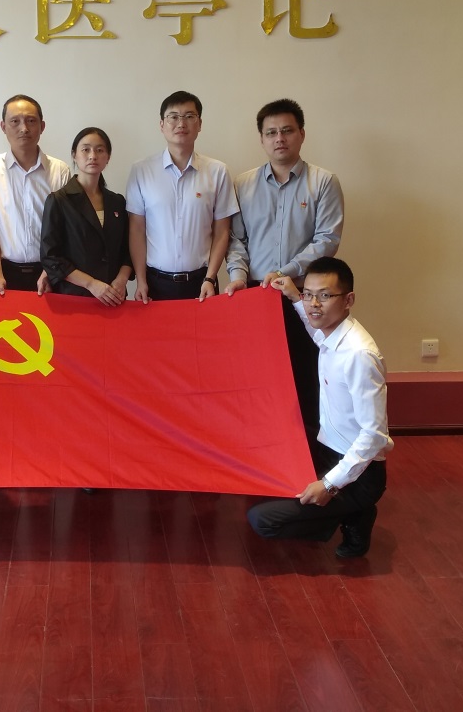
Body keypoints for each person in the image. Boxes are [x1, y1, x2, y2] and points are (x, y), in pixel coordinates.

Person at [247, 257, 391, 558]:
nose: (314, 304)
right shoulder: (332, 334)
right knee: (270, 452)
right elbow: (314, 331)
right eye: (309, 295)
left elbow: (374, 436)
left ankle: (354, 513)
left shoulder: (359, 355)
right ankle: (349, 509)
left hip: (360, 474)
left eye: (325, 296)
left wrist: (329, 485)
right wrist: (292, 295)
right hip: (327, 449)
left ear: (348, 300)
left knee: (263, 520)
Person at [225, 98, 343, 439]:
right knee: (255, 373)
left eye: (287, 130)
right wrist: (237, 277)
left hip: (305, 295)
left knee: (306, 371)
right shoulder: (243, 184)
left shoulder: (323, 182)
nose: (280, 138)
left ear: (301, 134)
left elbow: (327, 239)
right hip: (255, 294)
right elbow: (236, 240)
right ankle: (261, 442)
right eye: (271, 132)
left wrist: (287, 272)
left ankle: (309, 447)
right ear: (261, 139)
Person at [125, 90, 238, 302]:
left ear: (200, 124)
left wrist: (210, 278)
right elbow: (136, 229)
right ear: (162, 125)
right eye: (173, 117)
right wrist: (141, 280)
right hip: (154, 283)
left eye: (189, 116)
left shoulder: (218, 171)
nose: (181, 123)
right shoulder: (141, 170)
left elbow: (222, 231)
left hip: (202, 283)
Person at [0, 94, 71, 294]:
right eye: (15, 121)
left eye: (31, 121)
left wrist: (51, 272)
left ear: (42, 126)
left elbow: (65, 229)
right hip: (4, 271)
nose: (24, 128)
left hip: (49, 273)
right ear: (3, 127)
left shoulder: (59, 170)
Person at [41, 126, 132, 304]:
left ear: (108, 157)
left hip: (114, 296)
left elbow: (127, 250)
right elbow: (51, 257)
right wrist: (91, 284)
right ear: (74, 155)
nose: (93, 156)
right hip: (74, 297)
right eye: (86, 150)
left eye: (100, 150)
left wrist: (121, 280)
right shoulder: (59, 201)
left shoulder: (117, 201)